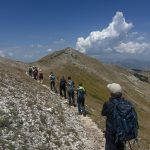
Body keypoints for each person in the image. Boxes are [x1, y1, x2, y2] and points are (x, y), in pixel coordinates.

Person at [101, 83, 138, 150]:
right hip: (123, 133)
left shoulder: (108, 104)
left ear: (111, 93)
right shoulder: (127, 103)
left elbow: (103, 113)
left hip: (111, 133)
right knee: (120, 147)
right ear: (120, 93)